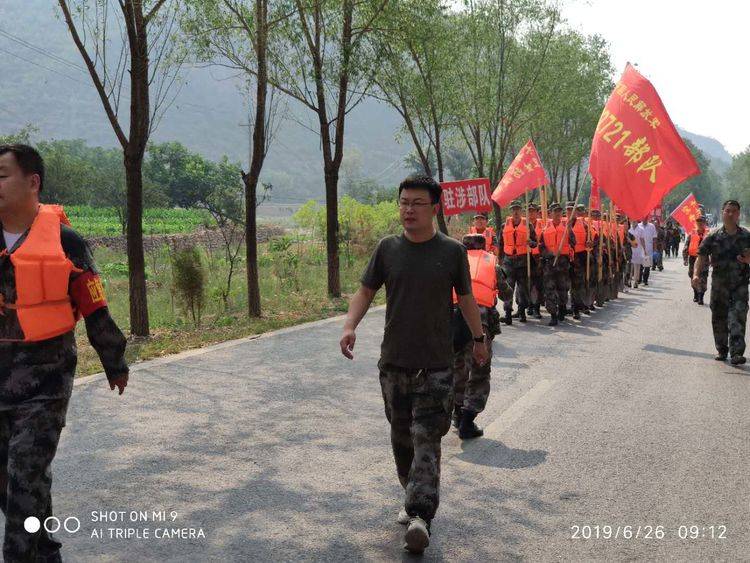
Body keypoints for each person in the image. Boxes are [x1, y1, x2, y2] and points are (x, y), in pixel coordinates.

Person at [339, 174, 488, 554]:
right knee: (401, 437)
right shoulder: (387, 249)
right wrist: (349, 325)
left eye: (417, 203)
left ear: (434, 207)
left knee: (427, 438)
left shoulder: (451, 252)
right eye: (404, 202)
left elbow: (467, 298)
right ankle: (412, 493)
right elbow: (366, 290)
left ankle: (421, 514)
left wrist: (478, 339)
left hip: (436, 366)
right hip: (394, 365)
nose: (408, 209)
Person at [0, 144, 129, 563]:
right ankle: (45, 551)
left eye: (1, 175)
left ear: (32, 182)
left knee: (24, 476)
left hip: (46, 380)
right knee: (18, 480)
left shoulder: (65, 240)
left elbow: (94, 305)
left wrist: (114, 359)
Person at [451, 234, 500, 440]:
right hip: (480, 324)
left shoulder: (453, 262)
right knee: (479, 371)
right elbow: (506, 294)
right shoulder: (492, 264)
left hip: (453, 320)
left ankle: (457, 411)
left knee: (457, 367)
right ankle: (467, 421)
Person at [694, 200, 750, 365]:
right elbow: (701, 256)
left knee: (738, 317)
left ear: (738, 214)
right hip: (719, 286)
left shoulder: (746, 237)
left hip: (740, 286)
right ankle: (721, 349)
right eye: (727, 211)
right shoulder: (713, 236)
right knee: (719, 317)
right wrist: (696, 274)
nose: (730, 214)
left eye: (734, 211)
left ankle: (737, 353)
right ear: (722, 212)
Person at [498, 200, 537, 325]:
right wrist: (500, 260)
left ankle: (522, 312)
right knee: (508, 288)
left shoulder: (528, 225)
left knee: (522, 289)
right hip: (508, 262)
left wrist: (530, 242)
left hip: (523, 262)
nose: (515, 212)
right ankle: (508, 314)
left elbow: (535, 242)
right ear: (511, 211)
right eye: (513, 209)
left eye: (518, 209)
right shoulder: (504, 226)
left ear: (521, 211)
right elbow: (500, 244)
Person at [539, 203, 576, 326]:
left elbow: (574, 242)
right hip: (550, 264)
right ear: (550, 213)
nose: (558, 214)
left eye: (560, 212)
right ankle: (553, 315)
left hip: (563, 264)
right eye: (555, 211)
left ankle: (562, 308)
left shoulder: (566, 226)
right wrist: (549, 253)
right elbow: (541, 247)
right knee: (549, 289)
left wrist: (570, 230)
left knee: (563, 289)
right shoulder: (545, 229)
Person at [683, 216, 710, 304]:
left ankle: (701, 297)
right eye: (698, 222)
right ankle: (695, 294)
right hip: (693, 259)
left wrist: (713, 259)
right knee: (692, 276)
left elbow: (714, 248)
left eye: (701, 222)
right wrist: (685, 258)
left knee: (703, 277)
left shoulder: (709, 235)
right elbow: (686, 246)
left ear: (705, 223)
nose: (700, 223)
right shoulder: (692, 234)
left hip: (704, 259)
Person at [637, 216, 657, 285]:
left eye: (646, 218)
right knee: (640, 265)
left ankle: (645, 280)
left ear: (647, 218)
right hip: (640, 249)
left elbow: (654, 238)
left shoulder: (652, 226)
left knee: (647, 266)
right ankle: (639, 279)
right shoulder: (638, 226)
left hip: (648, 249)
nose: (644, 219)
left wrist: (654, 249)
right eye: (643, 217)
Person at [628, 219, 644, 288]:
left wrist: (645, 250)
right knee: (630, 266)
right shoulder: (629, 228)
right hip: (630, 249)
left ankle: (636, 281)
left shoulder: (641, 229)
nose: (633, 222)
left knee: (637, 266)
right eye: (632, 220)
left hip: (638, 249)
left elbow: (642, 240)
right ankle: (629, 280)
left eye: (635, 221)